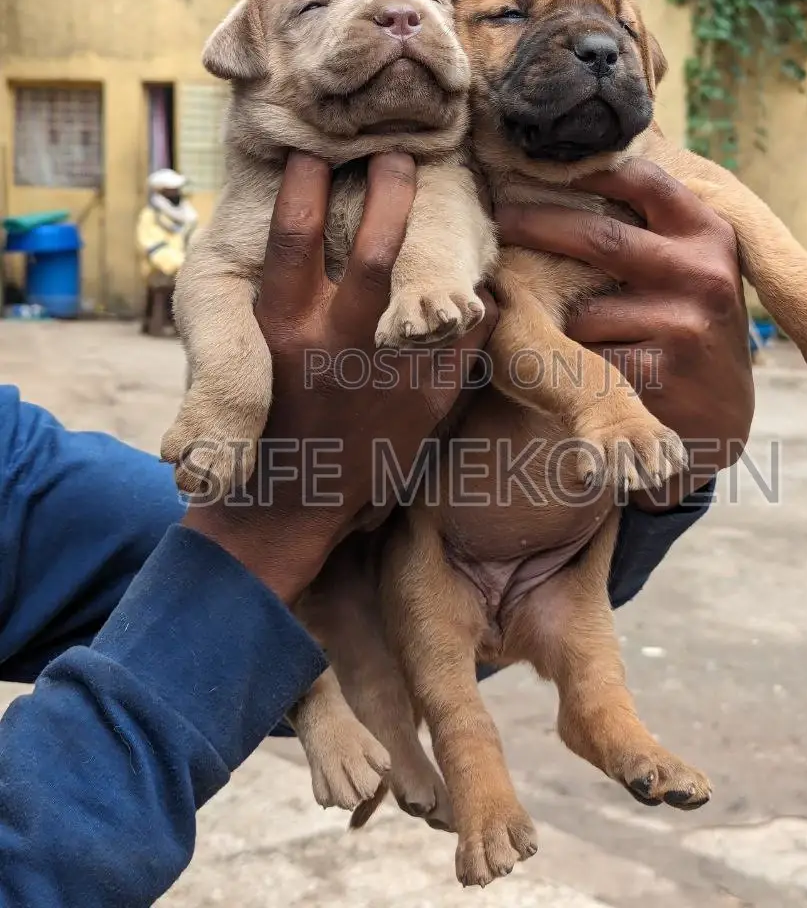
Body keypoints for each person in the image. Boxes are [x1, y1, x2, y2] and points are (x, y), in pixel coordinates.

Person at [0, 151, 754, 907]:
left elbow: (247, 593)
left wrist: (669, 472)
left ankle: (577, 727)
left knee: (384, 605)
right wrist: (280, 512)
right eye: (508, 20)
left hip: (546, 508)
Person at [135, 168, 200, 336]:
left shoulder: (188, 214)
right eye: (172, 190)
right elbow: (153, 247)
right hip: (158, 267)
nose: (176, 193)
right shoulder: (150, 215)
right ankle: (162, 323)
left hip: (185, 263)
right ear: (162, 192)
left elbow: (194, 239)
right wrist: (180, 264)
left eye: (177, 189)